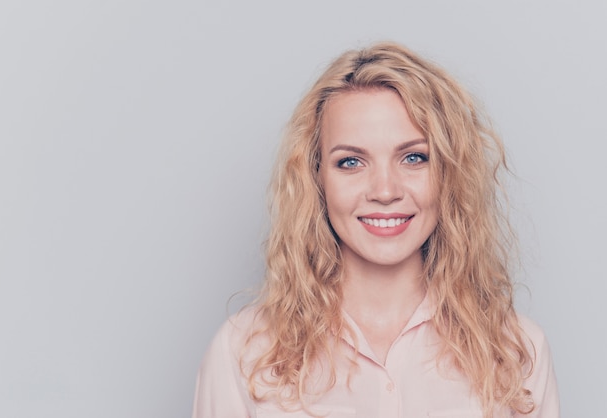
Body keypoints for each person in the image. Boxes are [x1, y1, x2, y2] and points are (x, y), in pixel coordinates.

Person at [192, 42, 559, 418]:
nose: (385, 191)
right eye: (351, 162)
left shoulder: (517, 351)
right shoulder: (244, 353)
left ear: (450, 173)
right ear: (316, 178)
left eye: (414, 157)